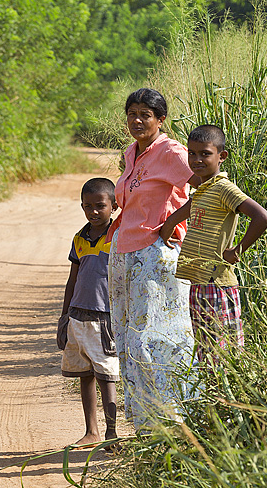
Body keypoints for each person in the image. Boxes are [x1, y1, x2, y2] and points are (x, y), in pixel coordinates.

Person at [106, 88, 200, 434]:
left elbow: (209, 186)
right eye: (132, 113)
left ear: (161, 119)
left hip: (155, 256)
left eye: (146, 114)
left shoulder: (171, 151)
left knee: (157, 337)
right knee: (129, 337)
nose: (137, 120)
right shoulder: (132, 152)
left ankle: (174, 421)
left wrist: (173, 221)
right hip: (125, 253)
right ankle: (146, 427)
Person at [160, 124, 267, 368]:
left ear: (222, 157)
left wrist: (237, 251)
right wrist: (170, 222)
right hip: (199, 283)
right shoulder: (204, 188)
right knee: (205, 354)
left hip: (216, 284)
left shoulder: (223, 188)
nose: (197, 159)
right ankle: (212, 403)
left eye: (205, 154)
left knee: (223, 356)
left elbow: (262, 217)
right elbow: (193, 206)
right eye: (192, 153)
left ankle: (227, 404)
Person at [57, 178, 119, 446]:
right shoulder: (79, 238)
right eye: (87, 206)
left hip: (105, 316)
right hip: (78, 315)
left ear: (114, 206)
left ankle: (112, 432)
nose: (93, 212)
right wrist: (64, 317)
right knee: (85, 373)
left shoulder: (118, 235)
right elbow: (73, 279)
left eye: (100, 206)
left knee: (107, 375)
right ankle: (91, 431)